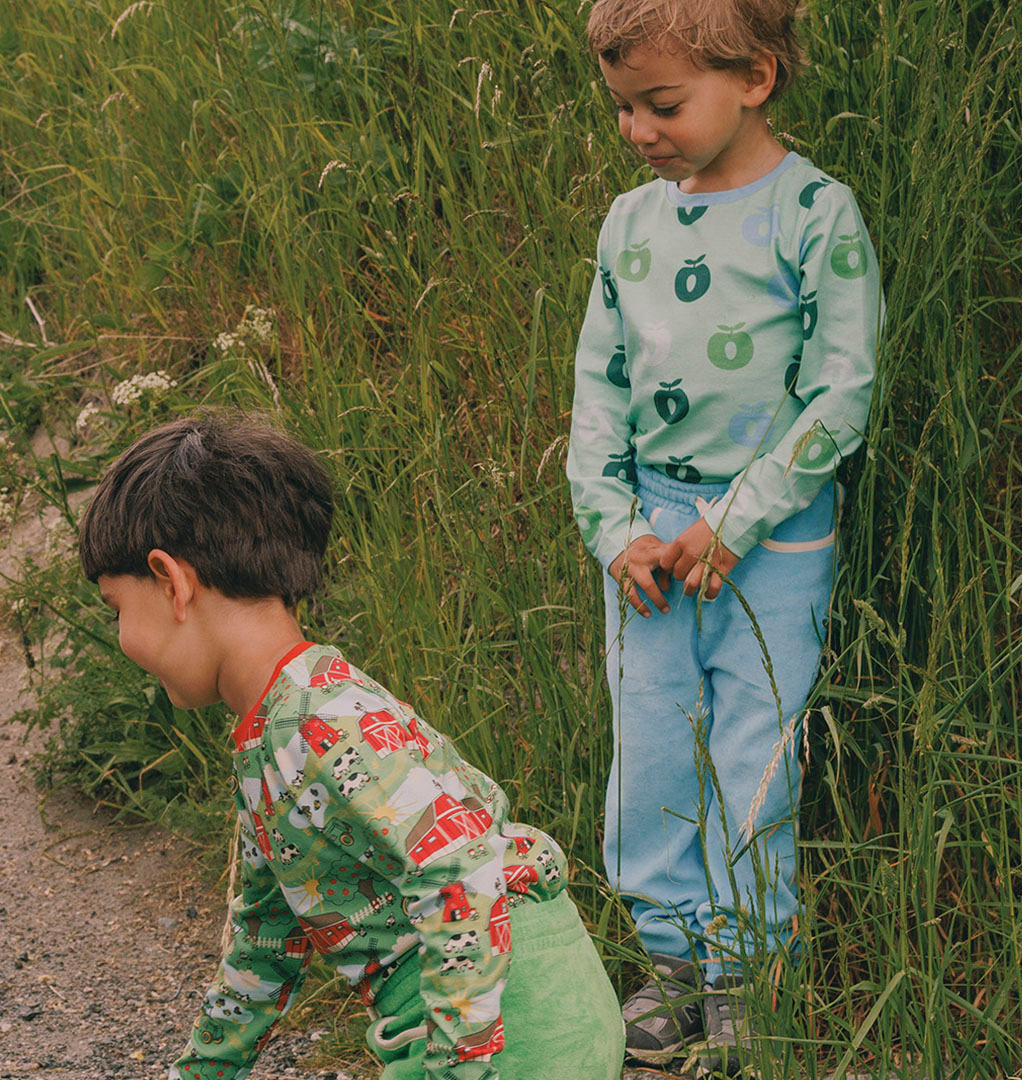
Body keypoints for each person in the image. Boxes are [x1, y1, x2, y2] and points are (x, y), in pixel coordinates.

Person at [79, 414, 624, 1080]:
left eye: (116, 607)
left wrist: (455, 1069)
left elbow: (459, 865)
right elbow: (265, 943)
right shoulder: (278, 731)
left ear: (171, 581)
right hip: (499, 1007)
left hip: (512, 1018)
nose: (122, 637)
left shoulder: (318, 724)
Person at [566, 0, 883, 1073]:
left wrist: (737, 519)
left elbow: (841, 394)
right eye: (623, 108)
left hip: (774, 538)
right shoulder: (629, 225)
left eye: (663, 104)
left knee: (753, 753)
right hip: (650, 544)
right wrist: (614, 526)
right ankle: (670, 965)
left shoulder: (814, 214)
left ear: (754, 76)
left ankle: (745, 971)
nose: (639, 130)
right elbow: (598, 390)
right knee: (650, 748)